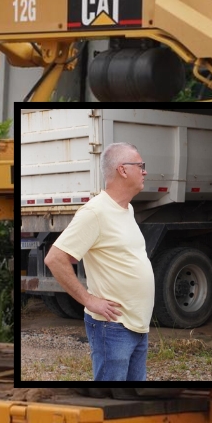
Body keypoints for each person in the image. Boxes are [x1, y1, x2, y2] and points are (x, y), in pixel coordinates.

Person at [43, 142, 155, 381]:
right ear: (123, 170)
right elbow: (56, 258)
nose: (145, 171)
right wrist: (89, 300)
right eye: (140, 166)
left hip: (136, 326)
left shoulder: (127, 209)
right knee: (110, 399)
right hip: (112, 327)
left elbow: (76, 255)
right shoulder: (95, 212)